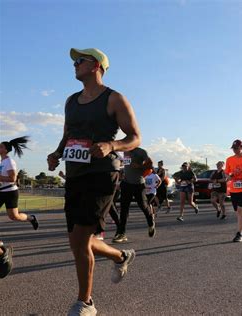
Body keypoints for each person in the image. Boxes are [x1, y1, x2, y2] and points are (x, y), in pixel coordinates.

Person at [47, 48, 138, 316]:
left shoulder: (114, 99)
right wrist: (56, 154)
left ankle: (85, 303)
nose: (75, 65)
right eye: (74, 61)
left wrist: (112, 145)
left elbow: (135, 136)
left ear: (96, 65)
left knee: (79, 239)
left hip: (102, 175)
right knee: (78, 241)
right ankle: (121, 256)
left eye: (80, 61)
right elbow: (68, 135)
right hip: (75, 175)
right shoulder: (71, 101)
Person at [0, 136, 38, 279]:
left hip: (10, 192)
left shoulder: (9, 161)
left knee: (13, 216)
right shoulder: (1, 161)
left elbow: (12, 179)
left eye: (0, 146)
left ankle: (31, 218)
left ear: (5, 149)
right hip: (1, 192)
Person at [113, 147, 156, 243]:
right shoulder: (125, 151)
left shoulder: (141, 152)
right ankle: (121, 233)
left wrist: (139, 166)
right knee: (124, 209)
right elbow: (124, 162)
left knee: (143, 206)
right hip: (126, 183)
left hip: (138, 184)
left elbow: (151, 165)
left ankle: (151, 222)